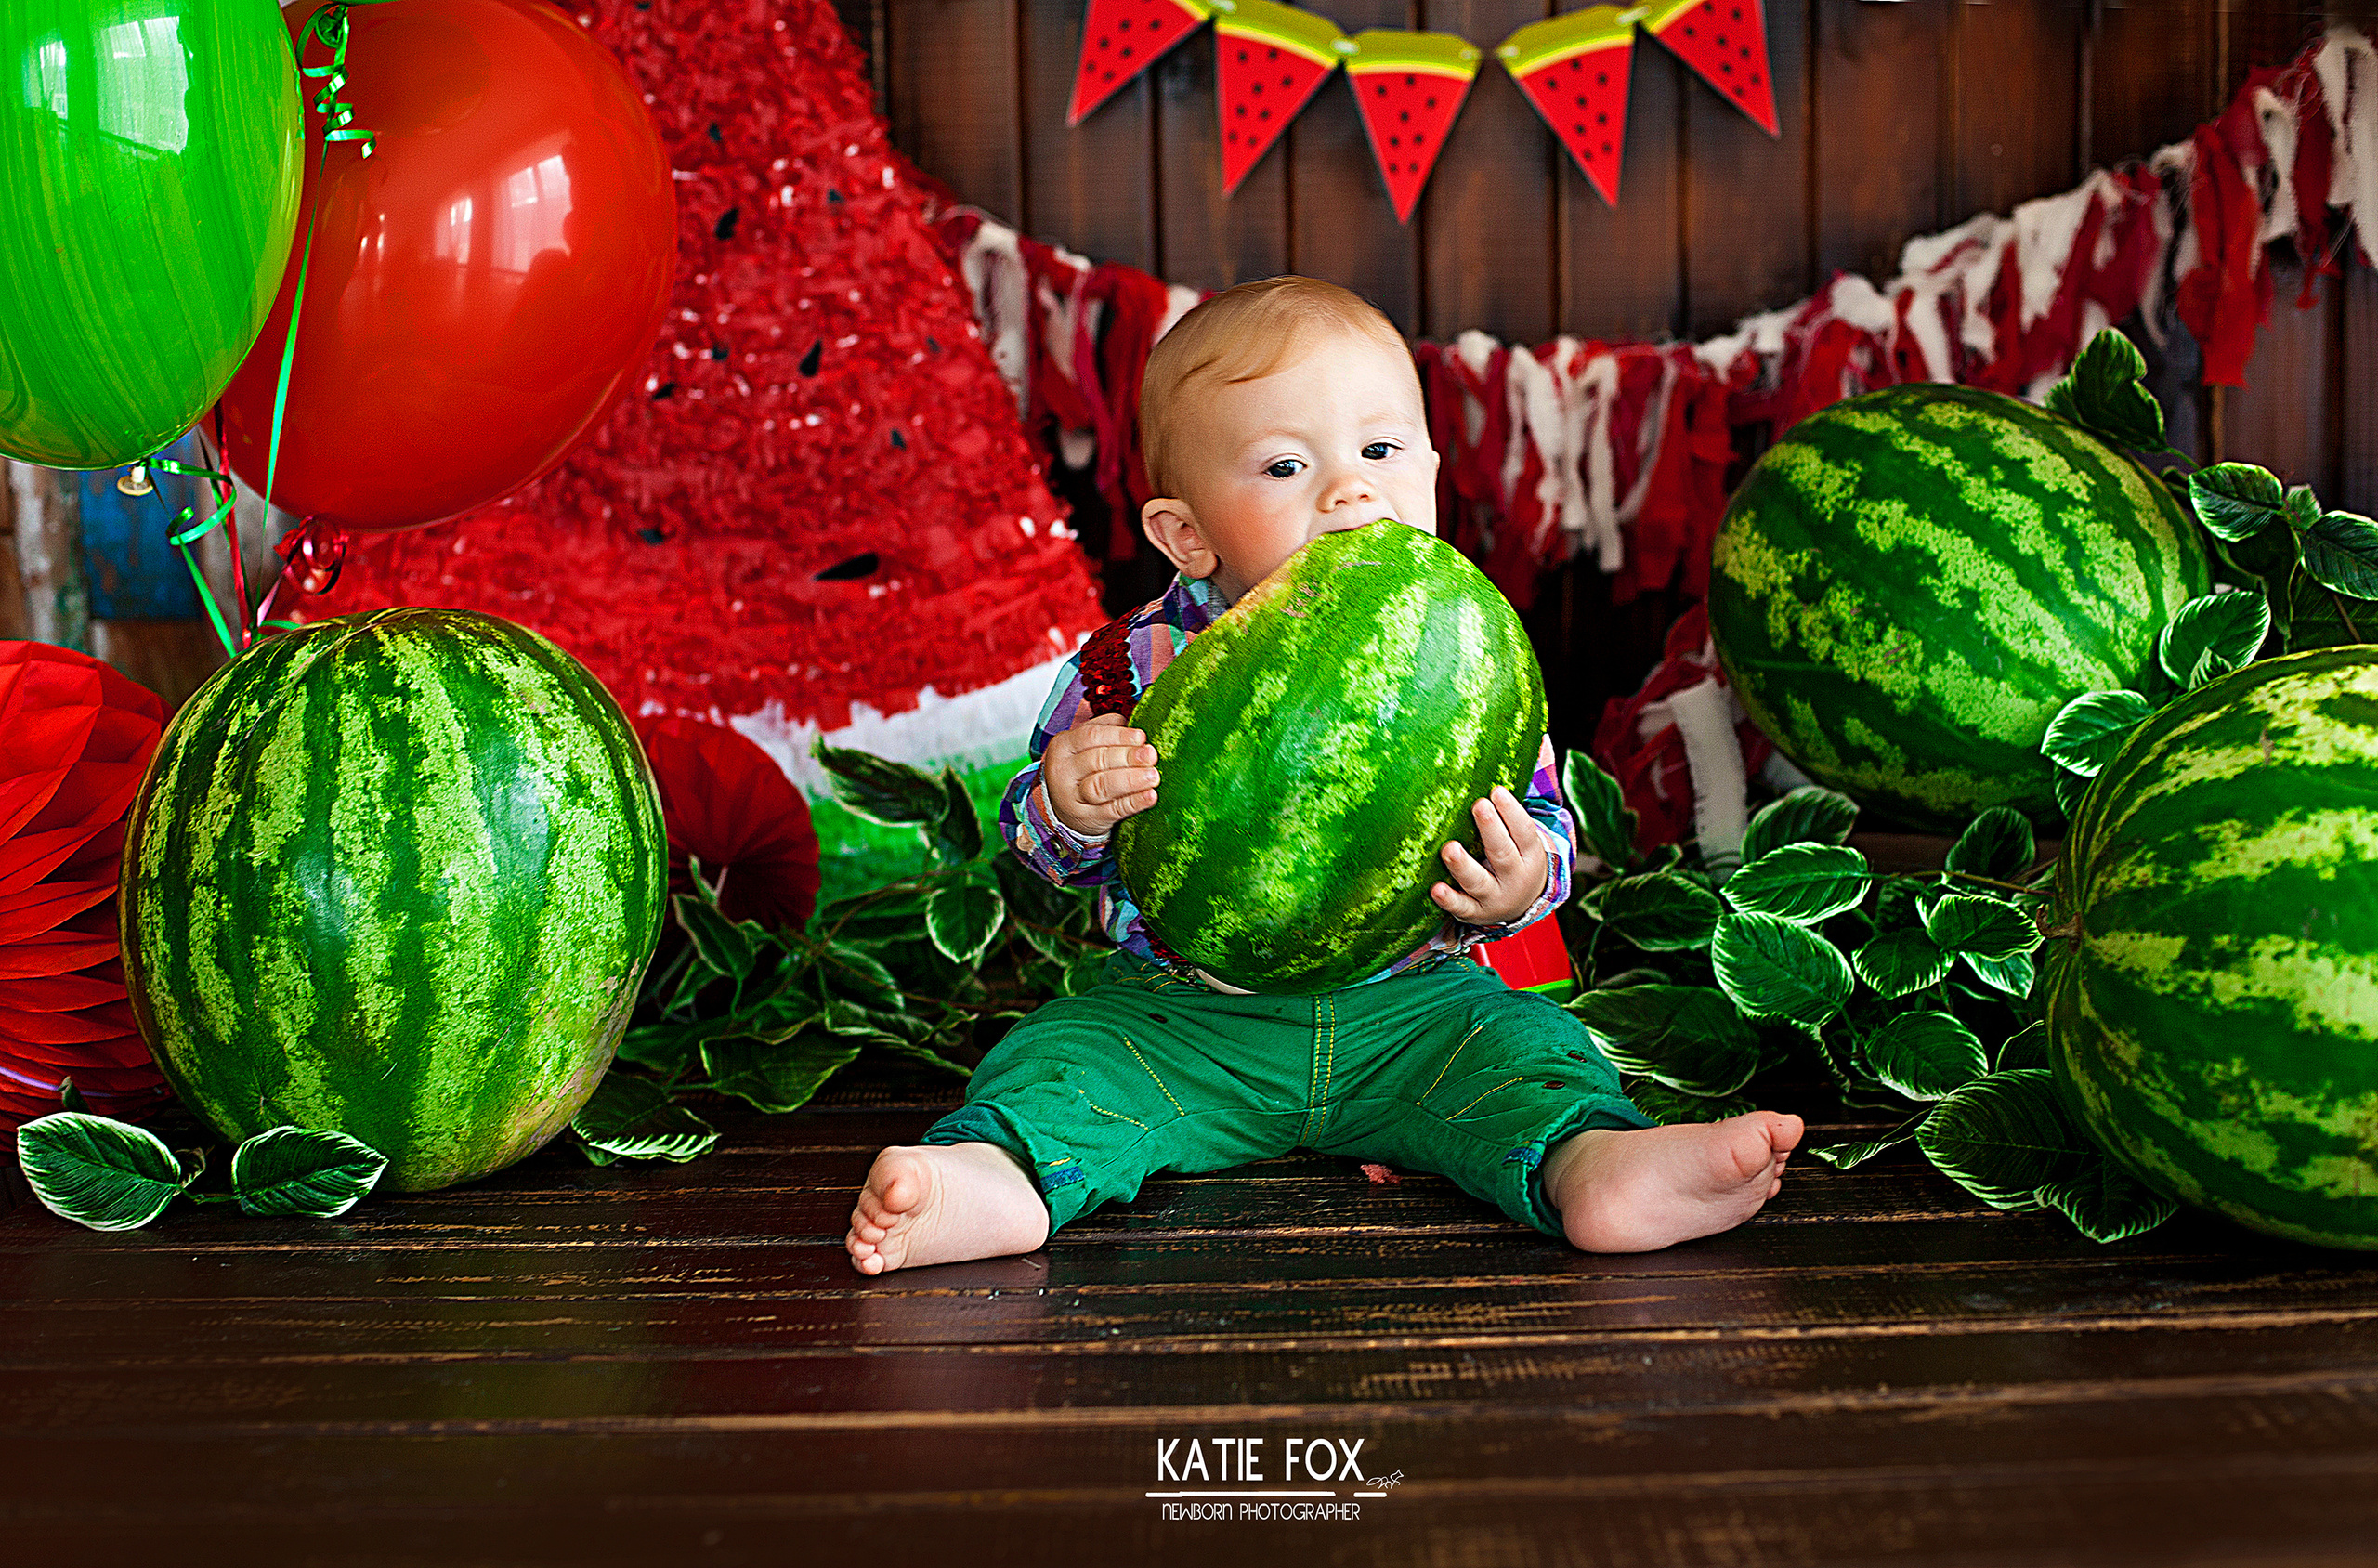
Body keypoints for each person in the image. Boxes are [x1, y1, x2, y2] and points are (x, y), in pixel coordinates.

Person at [846, 277, 1801, 1274]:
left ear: (1430, 474)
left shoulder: (1461, 653)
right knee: (1066, 1058)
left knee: (1525, 1051)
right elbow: (1043, 849)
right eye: (1286, 465)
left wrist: (1519, 883)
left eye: (1380, 452)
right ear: (1186, 533)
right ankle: (994, 1179)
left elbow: (1544, 823)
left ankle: (1593, 1165)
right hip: (1188, 1019)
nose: (1349, 491)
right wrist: (1066, 802)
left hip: (1415, 1017)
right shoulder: (1129, 664)